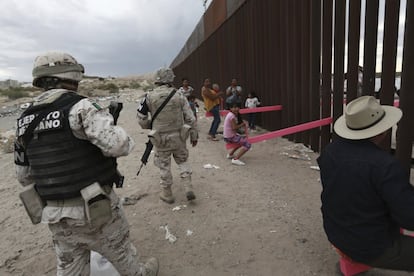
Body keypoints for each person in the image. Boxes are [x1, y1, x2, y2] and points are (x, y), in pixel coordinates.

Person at [14, 52, 158, 275]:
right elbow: (118, 146)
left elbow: (23, 175)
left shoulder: (24, 120)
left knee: (71, 267)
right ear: (71, 76)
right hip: (94, 207)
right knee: (122, 255)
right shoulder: (81, 107)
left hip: (55, 213)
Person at [318, 95, 414, 271]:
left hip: (335, 231)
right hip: (371, 246)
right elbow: (409, 218)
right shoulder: (385, 165)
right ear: (382, 131)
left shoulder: (330, 151)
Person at [137, 68, 198, 204]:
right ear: (171, 79)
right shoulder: (179, 95)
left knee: (164, 165)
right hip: (179, 137)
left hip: (160, 138)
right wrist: (194, 135)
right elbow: (190, 118)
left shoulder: (148, 96)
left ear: (157, 79)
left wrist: (151, 125)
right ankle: (188, 187)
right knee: (183, 161)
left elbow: (141, 120)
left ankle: (167, 194)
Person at [223, 102, 251, 166]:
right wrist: (242, 124)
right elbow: (234, 128)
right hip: (230, 137)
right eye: (234, 107)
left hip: (228, 135)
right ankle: (235, 159)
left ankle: (230, 154)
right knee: (247, 144)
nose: (236, 109)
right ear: (230, 108)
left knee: (240, 141)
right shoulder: (232, 116)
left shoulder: (230, 114)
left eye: (237, 107)